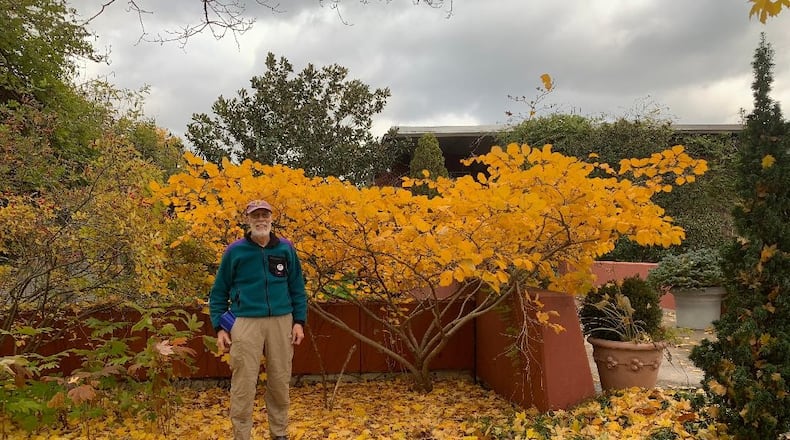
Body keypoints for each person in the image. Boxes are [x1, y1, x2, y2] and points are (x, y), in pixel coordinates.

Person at [209, 199, 307, 440]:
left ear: (272, 219)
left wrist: (299, 321)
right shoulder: (235, 251)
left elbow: (297, 286)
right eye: (256, 216)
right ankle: (241, 435)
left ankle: (279, 433)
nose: (261, 220)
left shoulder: (285, 249)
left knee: (280, 380)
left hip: (282, 320)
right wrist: (219, 328)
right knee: (243, 382)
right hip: (245, 322)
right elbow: (219, 291)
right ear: (248, 220)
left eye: (265, 215)